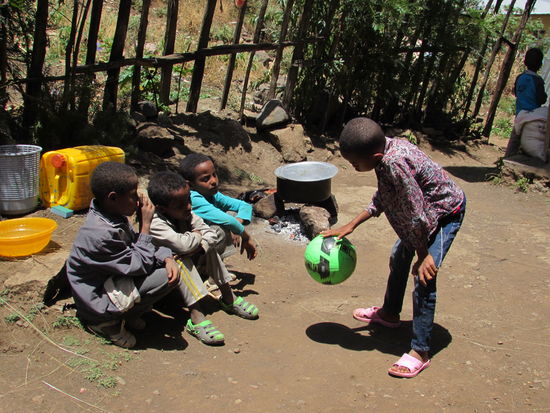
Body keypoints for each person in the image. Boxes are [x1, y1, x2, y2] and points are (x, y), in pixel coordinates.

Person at [321, 118, 466, 378]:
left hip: (445, 213)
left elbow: (416, 214)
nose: (354, 167)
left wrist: (423, 255)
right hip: (423, 217)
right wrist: (352, 225)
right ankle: (389, 314)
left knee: (424, 277)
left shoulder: (394, 163)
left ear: (375, 157)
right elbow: (384, 195)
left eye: (355, 163)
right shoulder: (384, 153)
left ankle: (420, 351)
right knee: (398, 256)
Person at [66, 162, 181, 348]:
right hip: (97, 301)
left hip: (112, 278)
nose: (138, 200)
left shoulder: (112, 214)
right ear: (113, 198)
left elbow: (135, 243)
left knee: (167, 265)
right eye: (133, 195)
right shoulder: (100, 234)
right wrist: (146, 225)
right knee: (163, 277)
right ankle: (105, 325)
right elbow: (140, 264)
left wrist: (167, 257)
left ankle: (129, 314)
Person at [147, 171, 259, 345]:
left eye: (189, 201)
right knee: (180, 258)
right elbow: (183, 246)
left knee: (208, 247)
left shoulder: (186, 212)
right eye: (181, 205)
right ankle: (196, 316)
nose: (188, 207)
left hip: (189, 264)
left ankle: (228, 297)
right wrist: (197, 237)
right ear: (162, 209)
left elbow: (210, 234)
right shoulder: (155, 223)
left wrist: (199, 244)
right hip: (165, 279)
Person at [178, 153, 257, 261]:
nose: (214, 181)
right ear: (190, 185)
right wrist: (245, 236)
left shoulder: (212, 194)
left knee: (232, 216)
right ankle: (203, 267)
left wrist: (237, 223)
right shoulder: (193, 198)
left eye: (214, 174)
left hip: (203, 243)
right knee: (220, 228)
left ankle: (214, 262)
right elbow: (227, 221)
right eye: (206, 179)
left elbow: (244, 205)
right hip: (189, 249)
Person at [506, 47, 548, 157]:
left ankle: (507, 158)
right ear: (540, 64)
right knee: (530, 143)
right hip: (533, 118)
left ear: (525, 62)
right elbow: (541, 99)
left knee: (514, 141)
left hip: (520, 115)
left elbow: (516, 92)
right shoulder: (538, 81)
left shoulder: (520, 77)